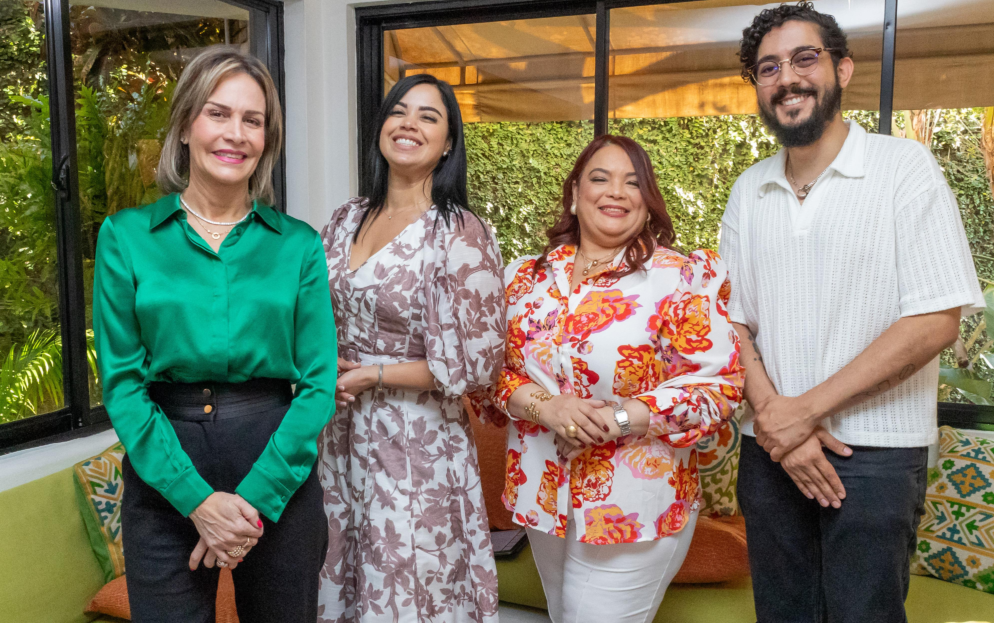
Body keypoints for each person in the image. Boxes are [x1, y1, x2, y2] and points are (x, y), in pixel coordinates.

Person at [720, 2, 985, 622]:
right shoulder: (748, 189)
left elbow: (935, 320)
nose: (787, 78)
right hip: (769, 450)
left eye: (804, 59)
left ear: (842, 69)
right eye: (768, 68)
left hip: (877, 455)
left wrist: (802, 412)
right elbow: (730, 321)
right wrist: (777, 422)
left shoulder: (904, 168)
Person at [93, 46, 337, 622]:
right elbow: (123, 385)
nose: (236, 134)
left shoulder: (299, 246)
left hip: (278, 471)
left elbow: (319, 383)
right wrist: (196, 500)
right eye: (218, 113)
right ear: (184, 126)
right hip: (164, 474)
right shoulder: (126, 238)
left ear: (267, 140)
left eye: (253, 120)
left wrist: (253, 500)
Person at [474, 134, 743, 623]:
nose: (616, 191)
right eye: (600, 178)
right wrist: (547, 408)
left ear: (648, 200)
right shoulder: (525, 279)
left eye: (632, 182)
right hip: (543, 493)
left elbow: (717, 388)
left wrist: (614, 420)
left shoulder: (679, 278)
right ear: (575, 194)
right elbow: (489, 376)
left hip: (634, 503)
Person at [317, 73, 506, 623]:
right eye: (399, 111)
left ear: (448, 143)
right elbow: (316, 313)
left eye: (429, 116)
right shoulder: (346, 218)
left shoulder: (459, 231)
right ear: (381, 127)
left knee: (407, 586)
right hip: (339, 430)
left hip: (415, 442)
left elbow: (476, 366)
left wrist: (373, 376)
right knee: (343, 574)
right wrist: (324, 366)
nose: (409, 124)